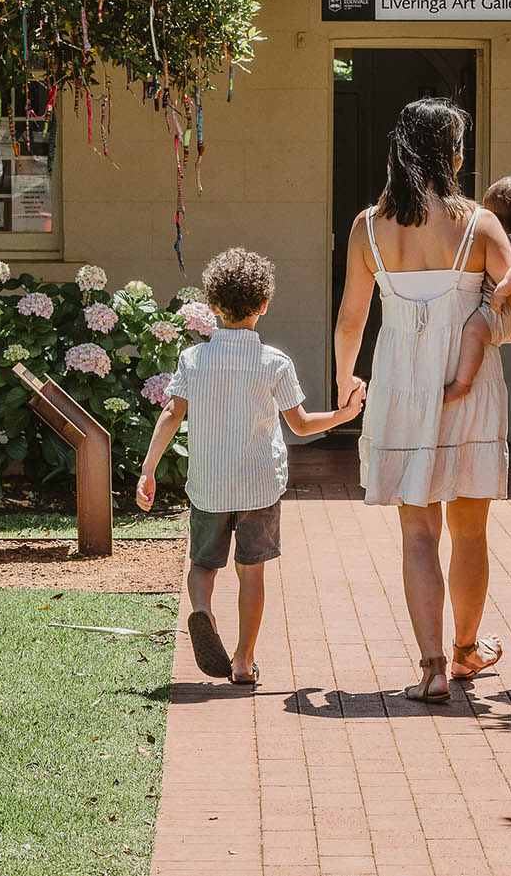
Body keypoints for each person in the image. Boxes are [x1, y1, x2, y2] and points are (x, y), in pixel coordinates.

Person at [334, 97, 511, 703]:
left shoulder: (367, 227)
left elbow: (350, 322)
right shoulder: (483, 226)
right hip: (468, 391)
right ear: (453, 154)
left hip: (399, 387)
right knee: (470, 532)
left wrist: (345, 382)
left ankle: (433, 666)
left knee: (417, 535)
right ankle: (466, 650)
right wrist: (483, 326)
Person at [136, 247, 364, 686]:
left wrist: (148, 469)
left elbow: (172, 413)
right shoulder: (274, 363)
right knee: (251, 571)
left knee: (203, 563)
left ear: (214, 306)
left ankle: (201, 611)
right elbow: (299, 424)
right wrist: (344, 415)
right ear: (263, 305)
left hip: (208, 484)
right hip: (258, 485)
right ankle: (243, 661)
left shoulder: (193, 360)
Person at [443, 174, 511, 404]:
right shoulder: (510, 237)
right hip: (504, 307)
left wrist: (502, 292)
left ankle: (462, 384)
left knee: (473, 333)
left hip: (505, 308)